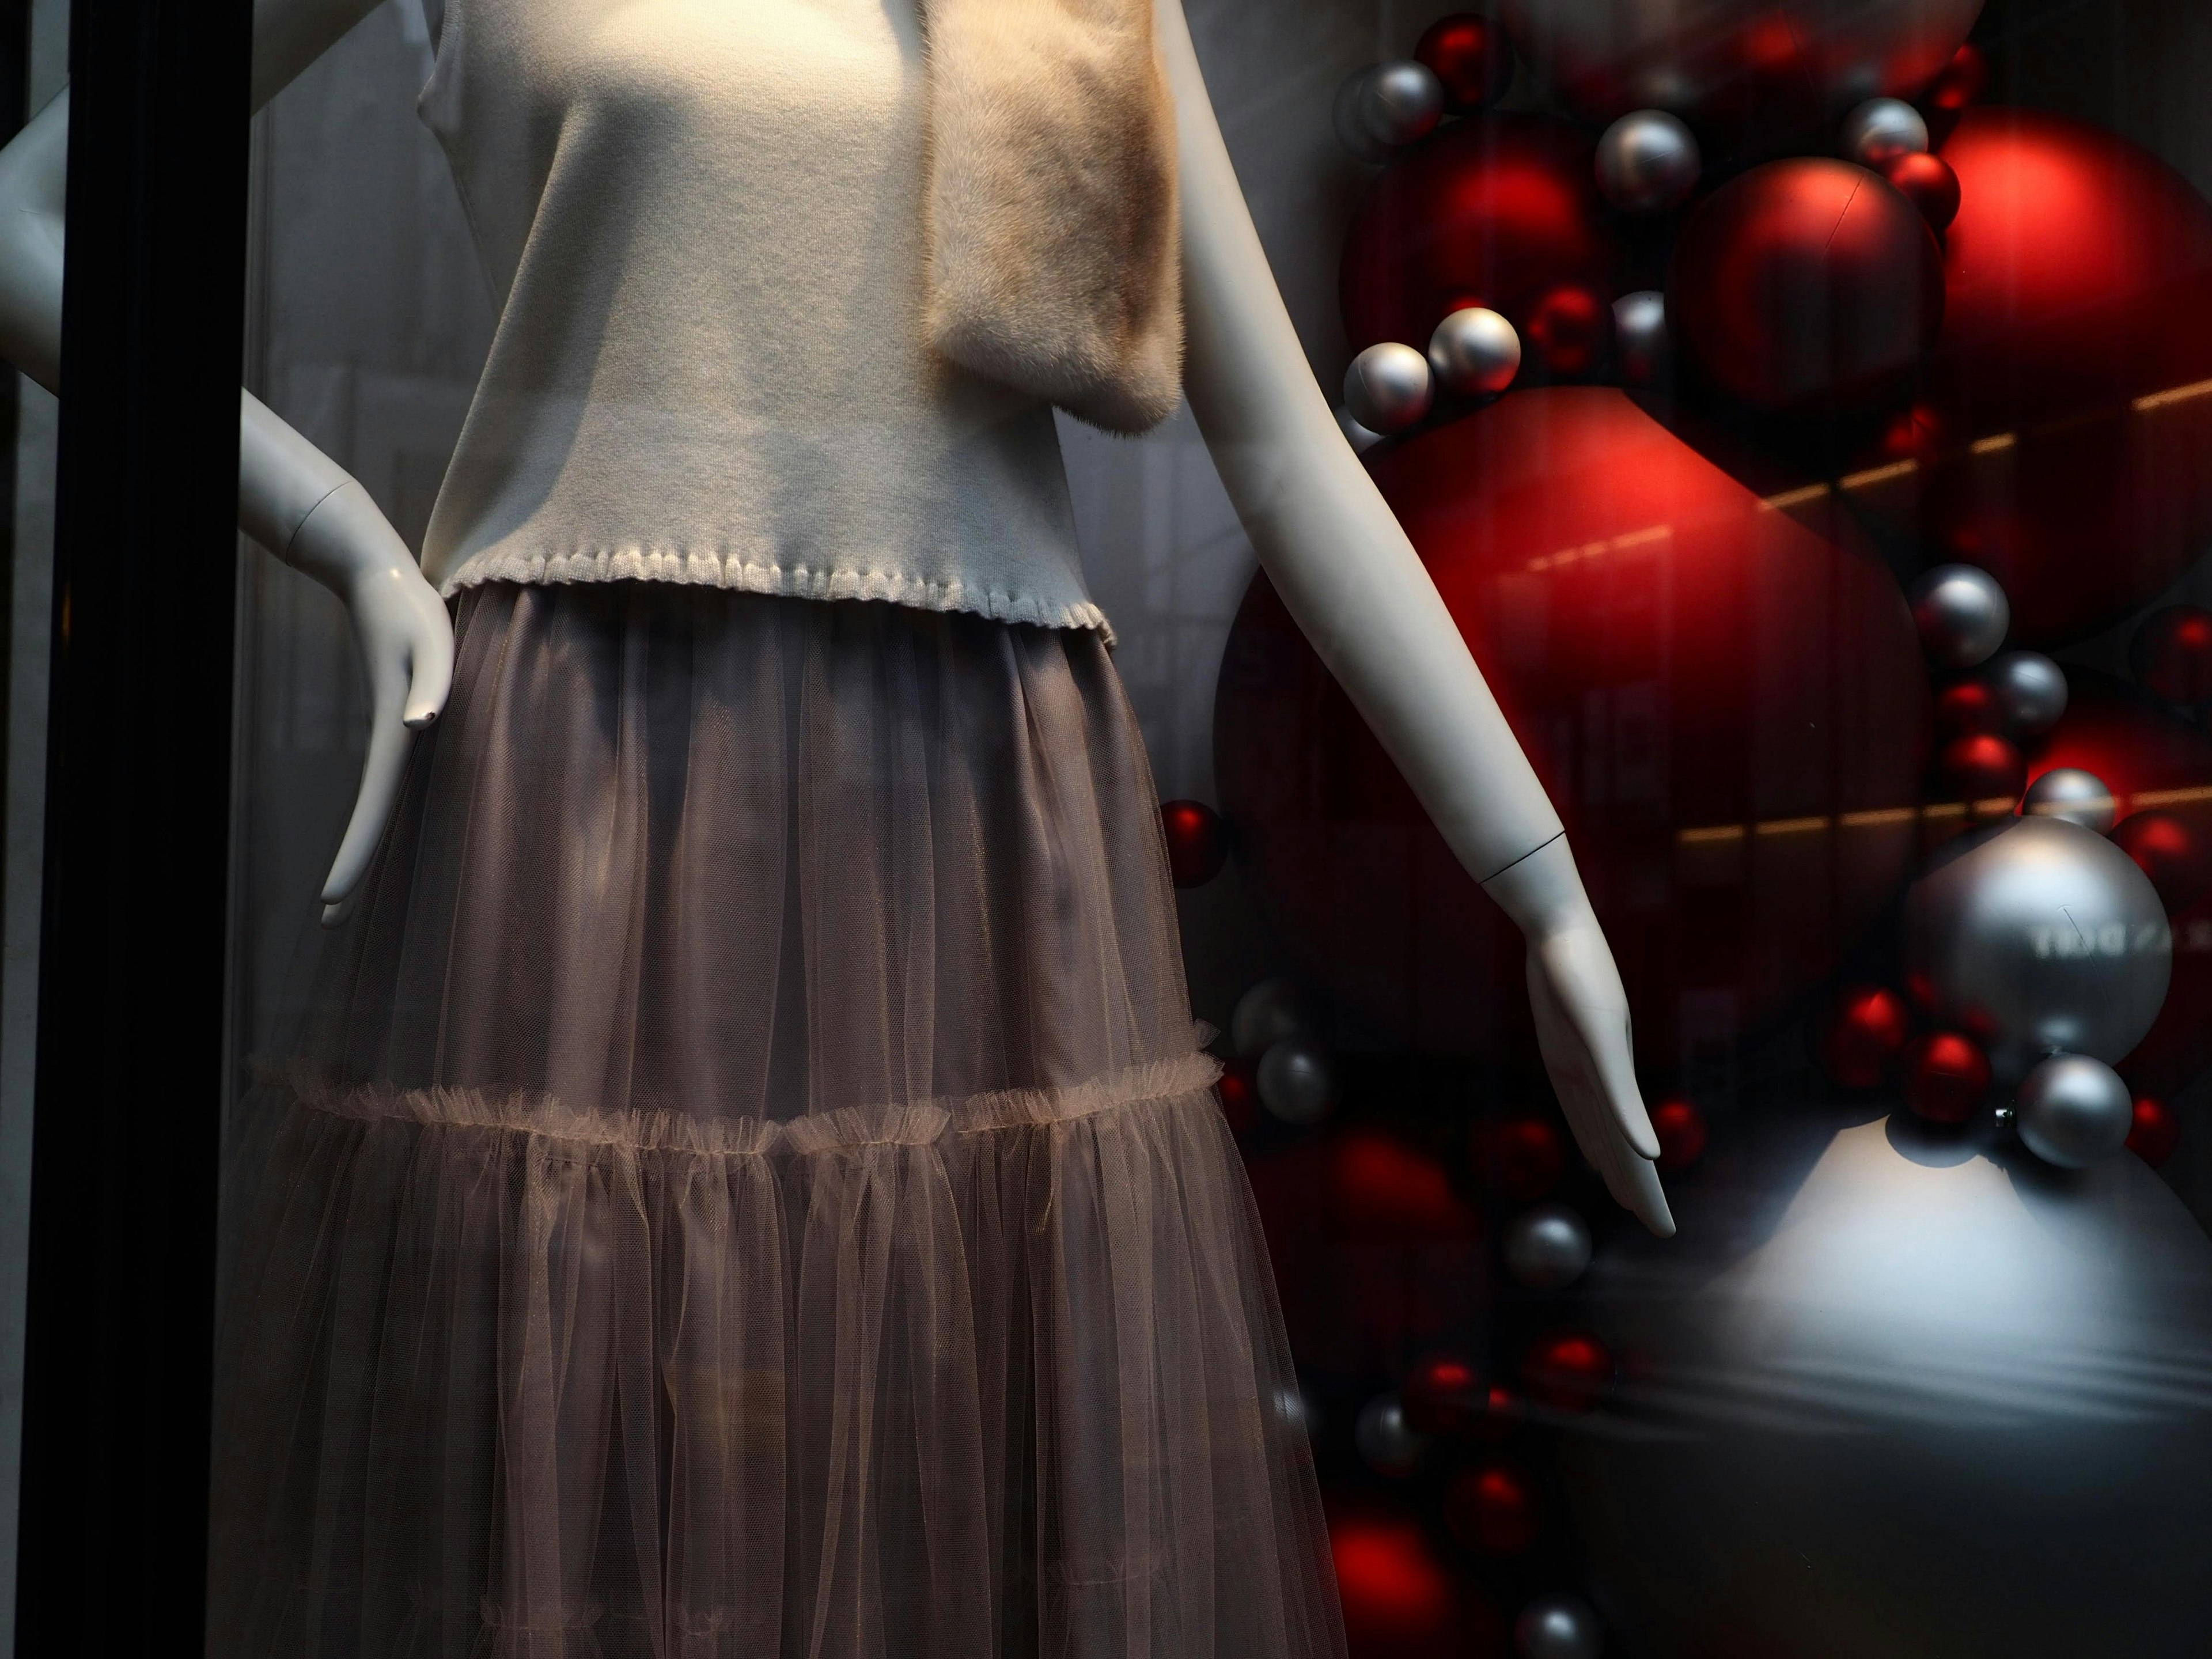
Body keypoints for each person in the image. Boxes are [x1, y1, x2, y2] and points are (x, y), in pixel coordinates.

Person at [0, 1, 1669, 1653]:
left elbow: (1288, 449)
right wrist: (345, 533)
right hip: (596, 770)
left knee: (959, 1434)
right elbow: (27, 217)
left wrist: (1539, 880)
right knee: (593, 1436)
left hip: (979, 805)